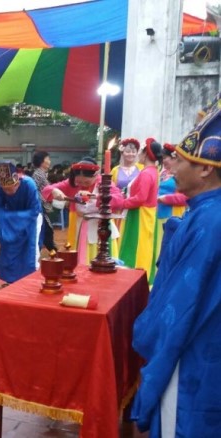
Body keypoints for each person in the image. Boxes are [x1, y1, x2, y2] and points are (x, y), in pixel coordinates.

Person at [130, 96, 221, 437]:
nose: (171, 167)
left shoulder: (208, 221)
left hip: (193, 354)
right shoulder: (205, 213)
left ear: (205, 167)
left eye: (179, 160)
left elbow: (178, 308)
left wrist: (143, 332)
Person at [42, 157, 123, 266]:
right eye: (79, 181)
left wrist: (95, 197)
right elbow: (46, 190)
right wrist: (54, 191)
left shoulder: (104, 184)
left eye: (87, 181)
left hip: (102, 230)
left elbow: (119, 200)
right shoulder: (72, 184)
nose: (83, 184)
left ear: (95, 176)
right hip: (80, 228)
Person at [112, 138, 161, 284]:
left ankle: (133, 279)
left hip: (139, 215)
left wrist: (121, 203)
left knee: (136, 247)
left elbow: (140, 198)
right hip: (142, 213)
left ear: (146, 154)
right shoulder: (152, 171)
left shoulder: (146, 173)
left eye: (140, 151)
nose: (137, 154)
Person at [0, 161, 42, 285]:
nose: (7, 192)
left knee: (29, 250)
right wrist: (6, 217)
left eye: (10, 188)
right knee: (8, 248)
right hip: (9, 222)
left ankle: (28, 281)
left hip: (30, 220)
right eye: (5, 189)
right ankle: (9, 280)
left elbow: (34, 210)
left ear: (17, 182)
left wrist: (11, 217)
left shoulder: (29, 184)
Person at [155, 143, 188, 255]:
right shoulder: (162, 172)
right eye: (162, 158)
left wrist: (164, 198)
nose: (163, 161)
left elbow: (185, 197)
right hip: (158, 214)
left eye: (165, 158)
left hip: (173, 214)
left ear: (174, 157)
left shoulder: (181, 173)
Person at [31, 151, 58, 252]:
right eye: (48, 159)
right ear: (42, 162)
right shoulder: (38, 174)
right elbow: (36, 191)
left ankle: (52, 250)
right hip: (40, 207)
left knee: (46, 230)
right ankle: (53, 251)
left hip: (42, 206)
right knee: (47, 230)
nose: (49, 161)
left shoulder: (42, 174)